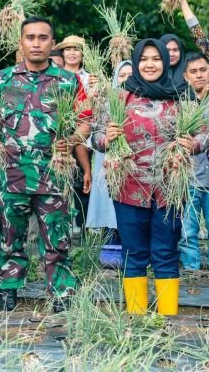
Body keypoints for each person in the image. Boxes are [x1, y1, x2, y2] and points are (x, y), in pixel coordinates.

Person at [0, 17, 92, 313]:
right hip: (11, 173)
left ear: (52, 43)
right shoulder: (1, 81)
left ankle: (61, 292)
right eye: (30, 37)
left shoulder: (68, 82)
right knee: (10, 237)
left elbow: (85, 123)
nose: (36, 43)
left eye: (43, 38)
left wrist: (70, 139)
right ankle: (8, 288)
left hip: (53, 174)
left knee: (57, 238)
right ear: (21, 42)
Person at [94, 39, 208, 316]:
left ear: (166, 62)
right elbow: (96, 136)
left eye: (156, 58)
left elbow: (204, 134)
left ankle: (166, 317)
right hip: (129, 188)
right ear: (135, 62)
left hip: (170, 188)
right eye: (143, 59)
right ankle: (136, 317)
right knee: (133, 254)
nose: (149, 64)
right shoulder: (121, 97)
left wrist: (192, 144)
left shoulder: (183, 95)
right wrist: (106, 139)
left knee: (166, 252)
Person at [180, 52, 209, 271]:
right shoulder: (181, 103)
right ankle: (191, 275)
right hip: (188, 179)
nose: (199, 75)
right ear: (186, 76)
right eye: (194, 72)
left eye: (203, 70)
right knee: (187, 233)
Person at [86, 61, 132, 267]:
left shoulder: (142, 104)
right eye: (122, 75)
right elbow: (95, 138)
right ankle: (110, 257)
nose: (126, 80)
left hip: (133, 168)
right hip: (109, 166)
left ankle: (133, 255)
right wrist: (108, 139)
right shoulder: (105, 105)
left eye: (131, 75)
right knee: (109, 207)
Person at [52, 35, 94, 233]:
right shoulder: (54, 77)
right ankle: (63, 225)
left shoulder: (92, 78)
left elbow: (94, 109)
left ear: (82, 53)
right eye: (67, 49)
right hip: (59, 135)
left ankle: (84, 225)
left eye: (76, 49)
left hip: (87, 135)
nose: (71, 53)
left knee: (82, 181)